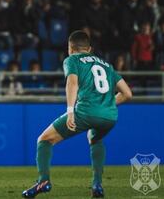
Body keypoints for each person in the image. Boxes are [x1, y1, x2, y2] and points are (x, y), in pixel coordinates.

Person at [22, 30, 132, 198]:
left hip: (85, 112)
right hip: (110, 117)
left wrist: (70, 110)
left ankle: (43, 181)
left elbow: (72, 83)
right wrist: (106, 104)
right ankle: (97, 185)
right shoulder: (106, 65)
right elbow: (127, 94)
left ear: (70, 48)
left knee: (44, 140)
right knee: (95, 138)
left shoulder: (72, 60)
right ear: (89, 49)